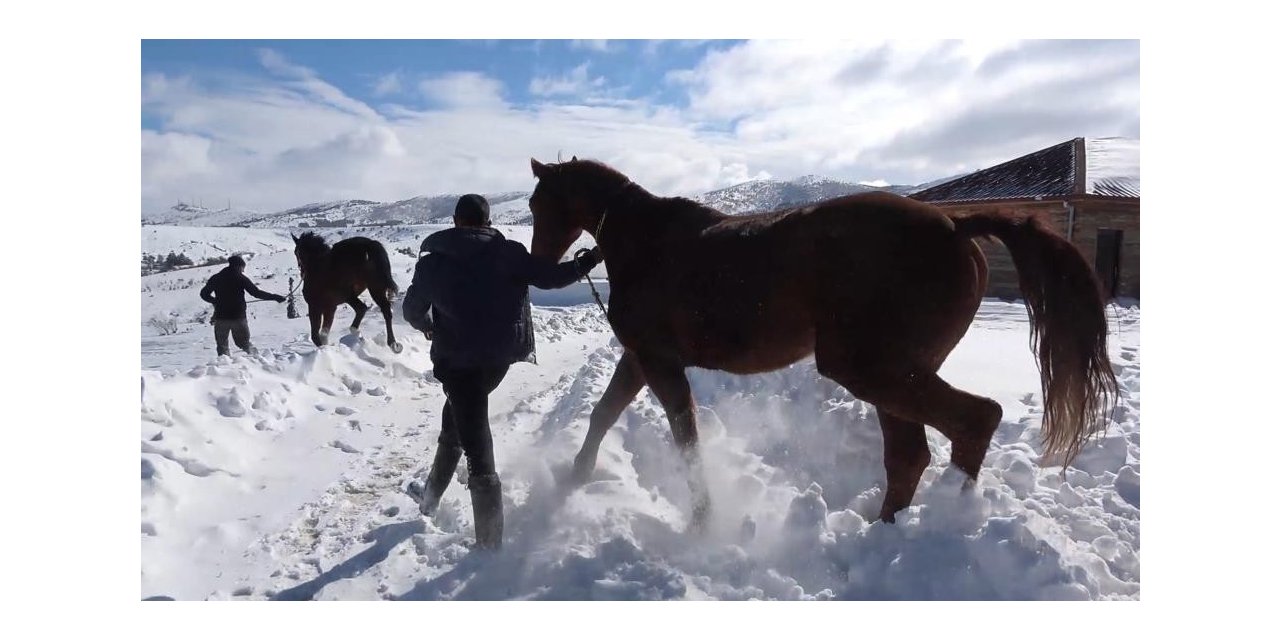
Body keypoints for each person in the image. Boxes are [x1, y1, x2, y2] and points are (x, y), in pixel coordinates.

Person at [402, 193, 602, 550]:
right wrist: (586, 262)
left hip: (459, 364)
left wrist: (427, 325)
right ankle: (430, 499)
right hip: (498, 361)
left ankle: (489, 545)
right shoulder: (508, 253)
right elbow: (551, 278)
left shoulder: (433, 263)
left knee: (476, 444)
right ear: (488, 221)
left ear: (456, 221)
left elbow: (412, 310)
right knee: (455, 424)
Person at [198, 255, 286, 356]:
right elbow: (256, 293)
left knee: (222, 347)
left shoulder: (216, 277)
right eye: (243, 268)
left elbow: (204, 294)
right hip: (238, 317)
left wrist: (216, 301)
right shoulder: (240, 278)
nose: (243, 270)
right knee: (244, 343)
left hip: (221, 317)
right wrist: (275, 297)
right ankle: (258, 361)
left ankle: (224, 367)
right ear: (239, 266)